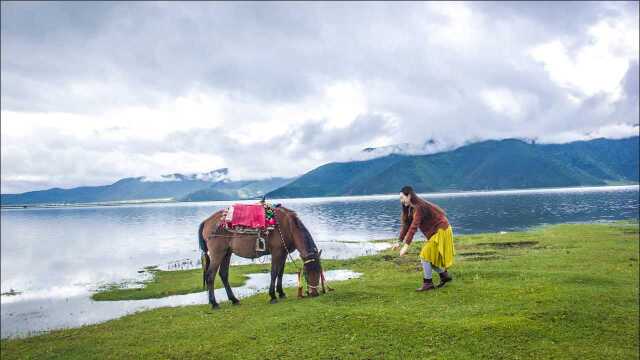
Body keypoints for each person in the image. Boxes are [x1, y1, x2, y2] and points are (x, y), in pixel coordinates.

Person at [392, 186, 455, 291]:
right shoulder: (411, 208)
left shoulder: (419, 207)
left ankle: (428, 284)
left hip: (442, 231)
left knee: (425, 256)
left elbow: (414, 227)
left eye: (402, 198)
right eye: (400, 198)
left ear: (409, 196)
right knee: (429, 257)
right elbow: (407, 226)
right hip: (436, 232)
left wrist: (406, 246)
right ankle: (444, 276)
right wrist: (399, 242)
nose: (401, 201)